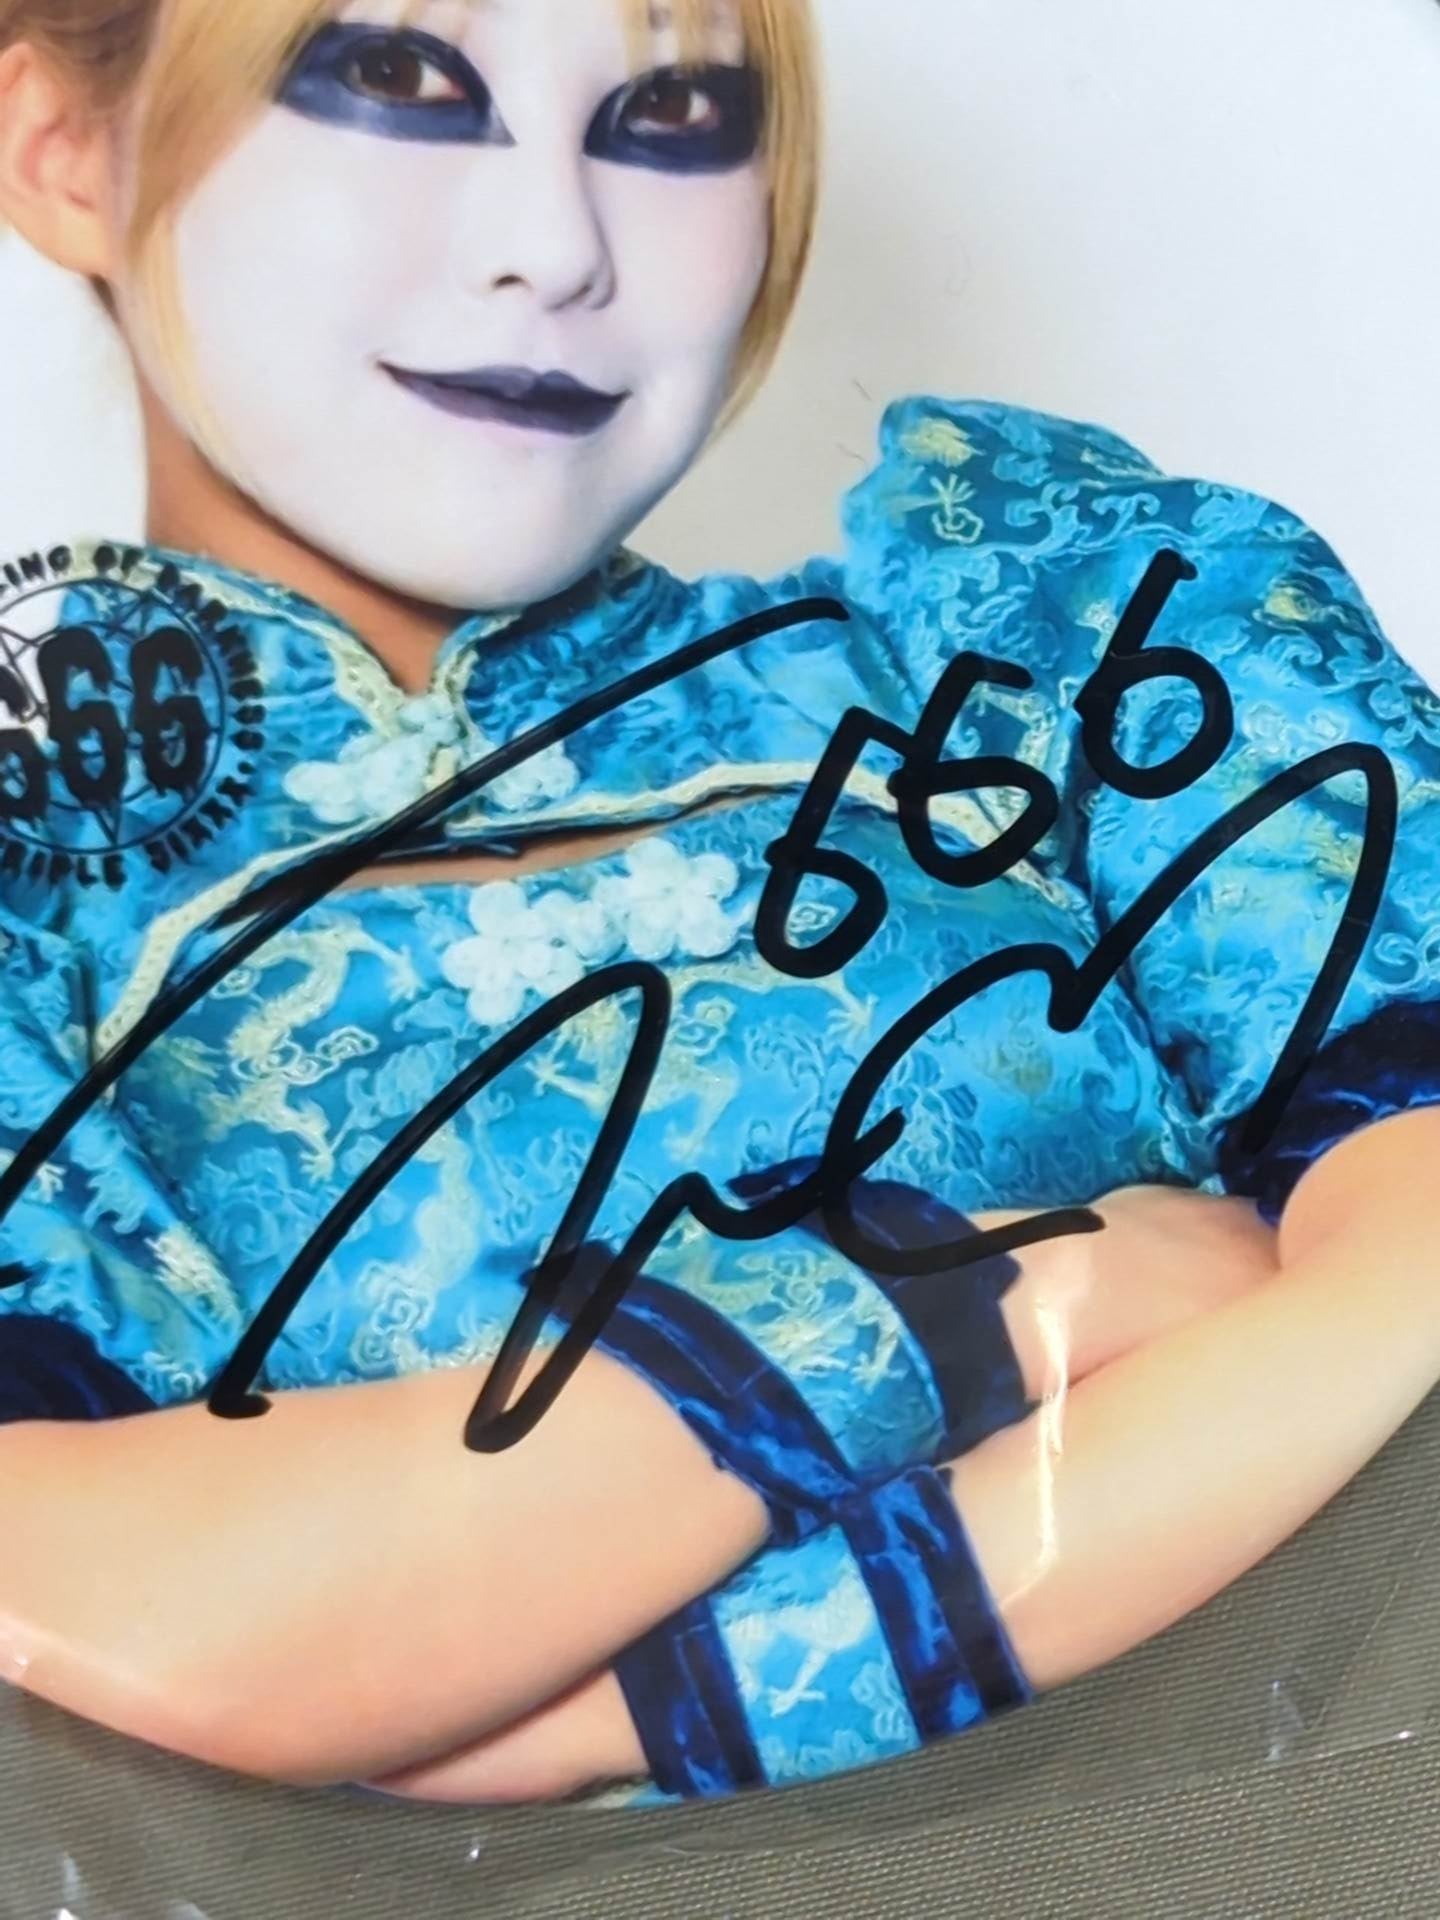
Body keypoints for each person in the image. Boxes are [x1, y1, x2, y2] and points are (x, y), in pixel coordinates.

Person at [0, 0, 1438, 1811]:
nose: (556, 247)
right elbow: (133, 1626)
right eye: (399, 78)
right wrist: (994, 1294)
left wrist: (561, 1712)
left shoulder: (1037, 632)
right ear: (63, 150)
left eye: (673, 113)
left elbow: (1416, 1317)